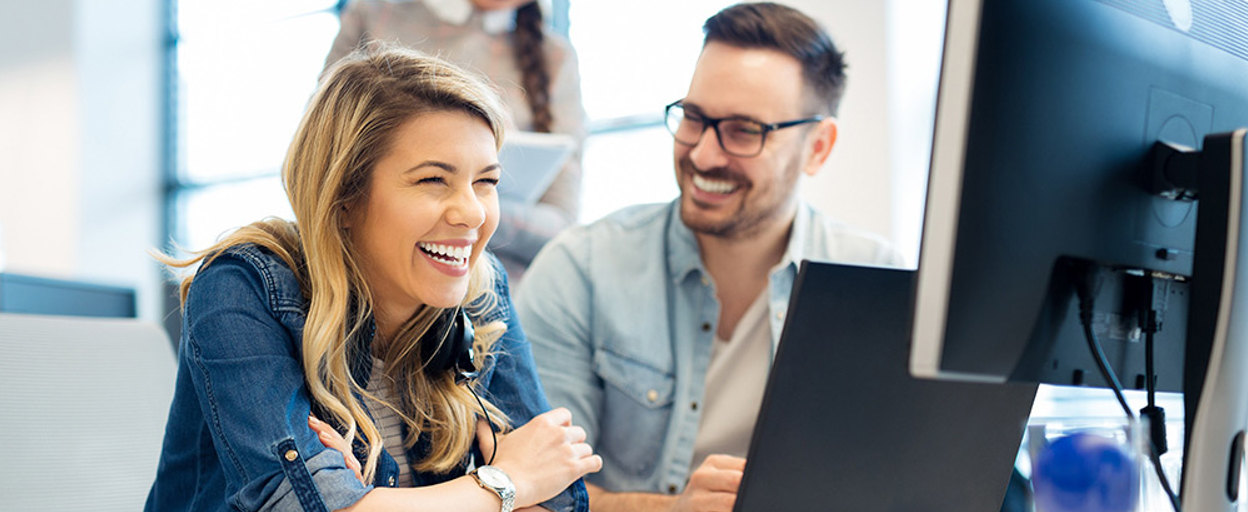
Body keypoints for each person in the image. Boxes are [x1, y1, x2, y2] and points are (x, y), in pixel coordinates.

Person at [145, 43, 601, 512]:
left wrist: (373, 501)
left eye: (486, 181)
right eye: (433, 180)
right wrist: (504, 483)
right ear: (344, 197)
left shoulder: (481, 290)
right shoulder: (241, 288)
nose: (472, 212)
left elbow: (557, 494)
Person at [514, 3, 903, 511]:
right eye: (694, 118)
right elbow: (535, 499)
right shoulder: (579, 271)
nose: (702, 154)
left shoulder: (882, 286)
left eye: (743, 131)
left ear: (818, 148)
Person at [325, 0, 588, 281]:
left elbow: (562, 224)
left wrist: (473, 205)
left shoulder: (554, 57)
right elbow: (323, 160)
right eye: (432, 178)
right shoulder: (376, 13)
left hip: (498, 292)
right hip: (366, 278)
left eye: (488, 180)